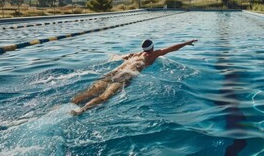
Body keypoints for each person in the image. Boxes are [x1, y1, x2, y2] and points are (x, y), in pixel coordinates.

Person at [70, 39, 198, 115]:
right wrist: (186, 43)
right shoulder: (152, 55)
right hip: (126, 76)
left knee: (90, 91)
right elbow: (171, 48)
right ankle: (81, 110)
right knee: (104, 97)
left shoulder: (135, 54)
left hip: (113, 72)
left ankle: (71, 103)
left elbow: (123, 56)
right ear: (152, 48)